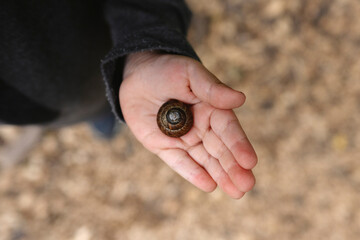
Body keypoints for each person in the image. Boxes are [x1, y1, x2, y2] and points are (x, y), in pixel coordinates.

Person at [0, 0, 257, 199]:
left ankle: (105, 121)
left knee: (102, 111)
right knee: (92, 114)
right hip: (43, 110)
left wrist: (145, 45)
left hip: (107, 59)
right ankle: (102, 122)